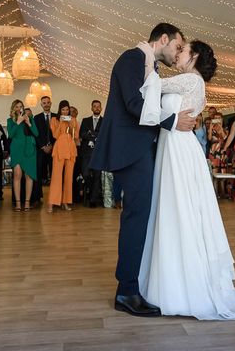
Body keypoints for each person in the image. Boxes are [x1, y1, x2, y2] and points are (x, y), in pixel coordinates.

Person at [137, 38, 235, 320]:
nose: (178, 53)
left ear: (195, 56)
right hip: (173, 145)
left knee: (180, 209)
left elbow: (151, 87)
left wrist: (146, 55)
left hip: (179, 147)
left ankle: (183, 286)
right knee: (176, 209)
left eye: (183, 49)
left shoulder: (191, 80)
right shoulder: (190, 81)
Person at [90, 23, 195, 318]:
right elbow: (134, 104)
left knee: (141, 217)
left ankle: (134, 284)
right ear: (163, 39)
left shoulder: (148, 64)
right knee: (137, 217)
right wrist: (172, 122)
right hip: (129, 149)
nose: (177, 55)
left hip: (140, 148)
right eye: (176, 47)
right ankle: (126, 291)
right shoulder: (131, 59)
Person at [48, 100, 79, 213]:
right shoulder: (54, 120)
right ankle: (52, 202)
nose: (65, 112)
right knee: (56, 176)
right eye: (63, 110)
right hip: (59, 148)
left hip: (70, 148)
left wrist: (71, 123)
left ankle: (65, 202)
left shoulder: (73, 120)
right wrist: (61, 122)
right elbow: (55, 135)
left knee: (68, 177)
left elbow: (75, 135)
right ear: (60, 110)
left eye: (67, 110)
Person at [7, 99, 38, 212]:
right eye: (17, 106)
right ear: (13, 109)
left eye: (21, 106)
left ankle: (27, 203)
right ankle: (18, 203)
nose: (19, 108)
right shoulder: (10, 120)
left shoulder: (30, 119)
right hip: (17, 150)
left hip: (29, 150)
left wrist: (29, 123)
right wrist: (18, 122)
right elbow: (10, 134)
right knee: (17, 175)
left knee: (29, 176)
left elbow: (36, 133)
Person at [79, 100, 104, 208]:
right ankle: (89, 189)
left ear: (101, 108)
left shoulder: (105, 121)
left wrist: (91, 134)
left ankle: (93, 200)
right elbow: (82, 134)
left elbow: (104, 135)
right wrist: (94, 136)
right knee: (85, 174)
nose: (97, 108)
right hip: (86, 153)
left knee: (97, 176)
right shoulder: (85, 120)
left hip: (99, 153)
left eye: (98, 106)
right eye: (95, 106)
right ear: (91, 108)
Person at [33, 96, 56, 192]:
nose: (46, 104)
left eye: (48, 102)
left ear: (51, 103)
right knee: (38, 173)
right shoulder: (36, 117)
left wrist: (52, 146)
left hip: (54, 149)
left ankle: (54, 197)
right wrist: (43, 146)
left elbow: (58, 133)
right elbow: (35, 134)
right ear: (41, 105)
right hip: (41, 149)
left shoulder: (56, 116)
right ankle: (38, 196)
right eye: (44, 103)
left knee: (54, 174)